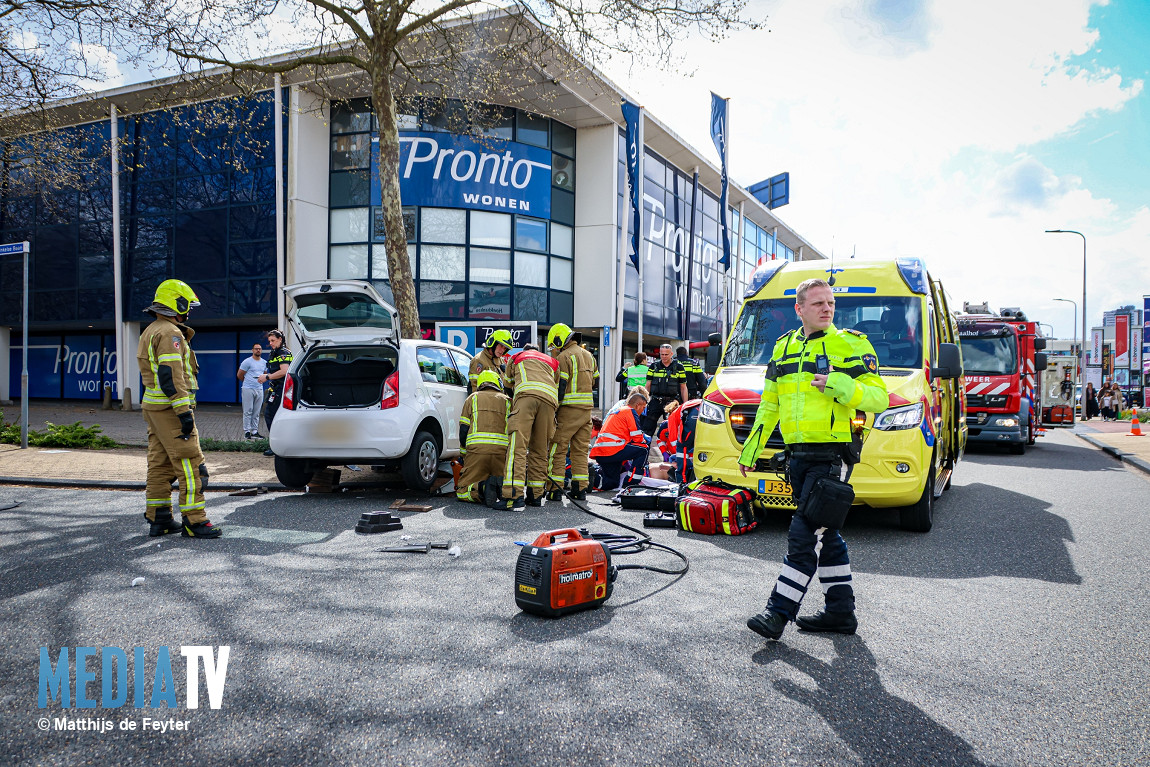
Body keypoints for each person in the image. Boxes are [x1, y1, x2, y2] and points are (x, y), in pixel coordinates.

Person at [739, 278, 888, 641]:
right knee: (827, 535)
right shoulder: (783, 348)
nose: (827, 308)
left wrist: (839, 384)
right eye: (819, 303)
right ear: (800, 308)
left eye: (831, 303)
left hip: (831, 456)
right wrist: (751, 451)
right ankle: (840, 612)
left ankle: (778, 613)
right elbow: (769, 405)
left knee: (803, 535)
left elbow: (879, 399)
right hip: (797, 458)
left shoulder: (851, 345)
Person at [137, 279, 221, 539]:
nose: (189, 312)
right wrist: (183, 411)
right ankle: (194, 521)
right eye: (188, 306)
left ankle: (159, 518)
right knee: (190, 463)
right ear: (177, 303)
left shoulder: (151, 329)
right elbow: (171, 375)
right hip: (171, 410)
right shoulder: (170, 333)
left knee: (160, 464)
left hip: (154, 407)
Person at [499, 343, 559, 509]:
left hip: (526, 398)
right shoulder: (551, 361)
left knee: (517, 447)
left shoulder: (517, 357)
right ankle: (535, 494)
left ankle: (513, 495)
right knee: (540, 449)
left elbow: (508, 384)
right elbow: (557, 384)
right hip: (549, 403)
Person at [546, 323, 600, 501]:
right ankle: (580, 489)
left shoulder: (564, 357)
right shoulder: (590, 356)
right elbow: (596, 382)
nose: (554, 349)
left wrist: (555, 407)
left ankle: (555, 490)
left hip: (568, 410)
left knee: (558, 448)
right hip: (586, 412)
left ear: (559, 339)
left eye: (554, 345)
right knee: (580, 451)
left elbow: (560, 387)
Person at [455, 370, 511, 504]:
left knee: (462, 491)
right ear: (498, 384)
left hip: (477, 453)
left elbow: (463, 431)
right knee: (502, 482)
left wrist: (464, 456)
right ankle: (501, 487)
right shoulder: (508, 401)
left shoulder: (472, 398)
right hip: (501, 454)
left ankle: (482, 487)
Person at [590, 388, 652, 491]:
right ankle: (632, 482)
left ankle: (594, 479)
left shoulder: (617, 411)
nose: (643, 411)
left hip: (601, 452)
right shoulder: (630, 411)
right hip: (613, 449)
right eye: (643, 407)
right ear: (637, 405)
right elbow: (637, 438)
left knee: (612, 483)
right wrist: (646, 440)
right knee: (643, 449)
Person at [258, 329, 293, 456]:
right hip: (276, 389)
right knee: (271, 415)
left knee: (270, 415)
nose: (271, 343)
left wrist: (267, 377)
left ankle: (276, 446)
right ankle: (277, 445)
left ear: (280, 339)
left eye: (273, 340)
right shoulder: (275, 352)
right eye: (269, 341)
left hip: (281, 389)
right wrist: (266, 375)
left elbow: (284, 371)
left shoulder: (283, 352)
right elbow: (276, 370)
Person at [643, 343, 688, 436]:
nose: (664, 357)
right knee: (647, 428)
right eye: (662, 354)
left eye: (666, 354)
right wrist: (645, 401)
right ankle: (645, 448)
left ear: (671, 354)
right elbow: (648, 385)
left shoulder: (679, 367)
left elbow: (683, 387)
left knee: (672, 430)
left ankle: (670, 449)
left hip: (672, 402)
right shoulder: (653, 366)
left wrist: (685, 405)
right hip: (656, 400)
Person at [237, 343, 267, 439]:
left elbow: (265, 375)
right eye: (256, 349)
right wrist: (247, 383)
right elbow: (239, 375)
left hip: (259, 389)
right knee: (248, 410)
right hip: (248, 389)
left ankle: (254, 431)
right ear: (252, 350)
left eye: (260, 349)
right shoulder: (247, 362)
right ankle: (247, 431)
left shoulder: (264, 362)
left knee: (256, 411)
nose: (258, 350)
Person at [468, 329, 512, 394]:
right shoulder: (479, 360)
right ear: (493, 343)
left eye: (505, 348)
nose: (502, 350)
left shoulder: (501, 360)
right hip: (485, 400)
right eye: (501, 346)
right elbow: (474, 387)